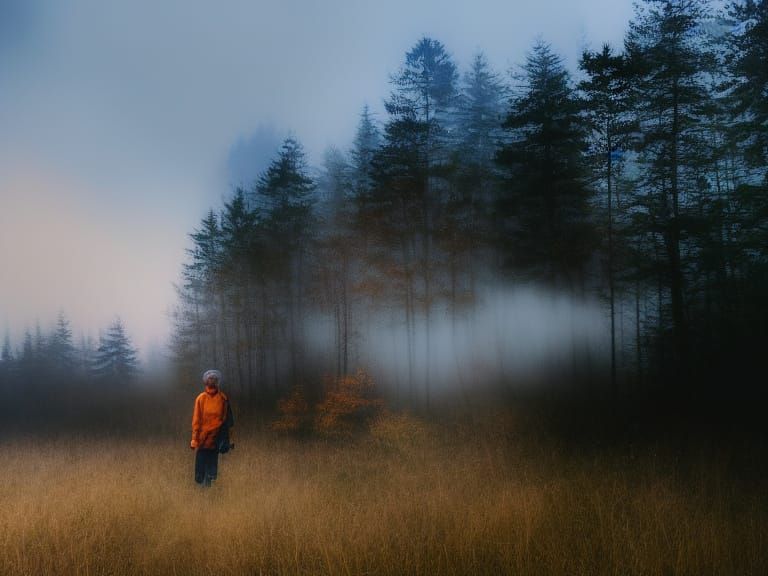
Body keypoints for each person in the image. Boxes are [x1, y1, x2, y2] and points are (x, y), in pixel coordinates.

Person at [190, 369, 234, 487]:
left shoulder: (223, 399)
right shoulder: (201, 398)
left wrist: (229, 440)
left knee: (212, 471)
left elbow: (228, 422)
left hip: (216, 439)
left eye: (214, 378)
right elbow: (196, 420)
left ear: (217, 381)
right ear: (205, 381)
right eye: (210, 378)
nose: (212, 380)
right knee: (200, 472)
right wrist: (194, 439)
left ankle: (209, 493)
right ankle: (201, 491)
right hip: (202, 439)